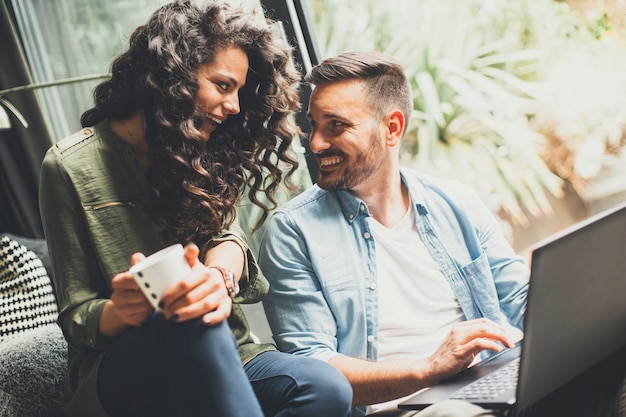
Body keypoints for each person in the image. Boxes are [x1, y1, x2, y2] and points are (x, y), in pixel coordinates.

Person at [257, 51, 626, 417]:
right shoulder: (293, 232)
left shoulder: (456, 202)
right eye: (314, 124)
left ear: (392, 128)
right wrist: (430, 367)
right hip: (403, 408)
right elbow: (315, 367)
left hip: (490, 388)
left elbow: (519, 300)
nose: (316, 143)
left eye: (335, 125)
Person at [38, 2, 352, 417]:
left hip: (229, 348)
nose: (235, 106)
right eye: (223, 86)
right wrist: (123, 309)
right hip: (129, 371)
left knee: (327, 388)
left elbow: (228, 237)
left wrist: (217, 276)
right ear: (172, 76)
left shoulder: (204, 148)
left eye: (239, 91)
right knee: (185, 310)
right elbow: (78, 318)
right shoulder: (68, 166)